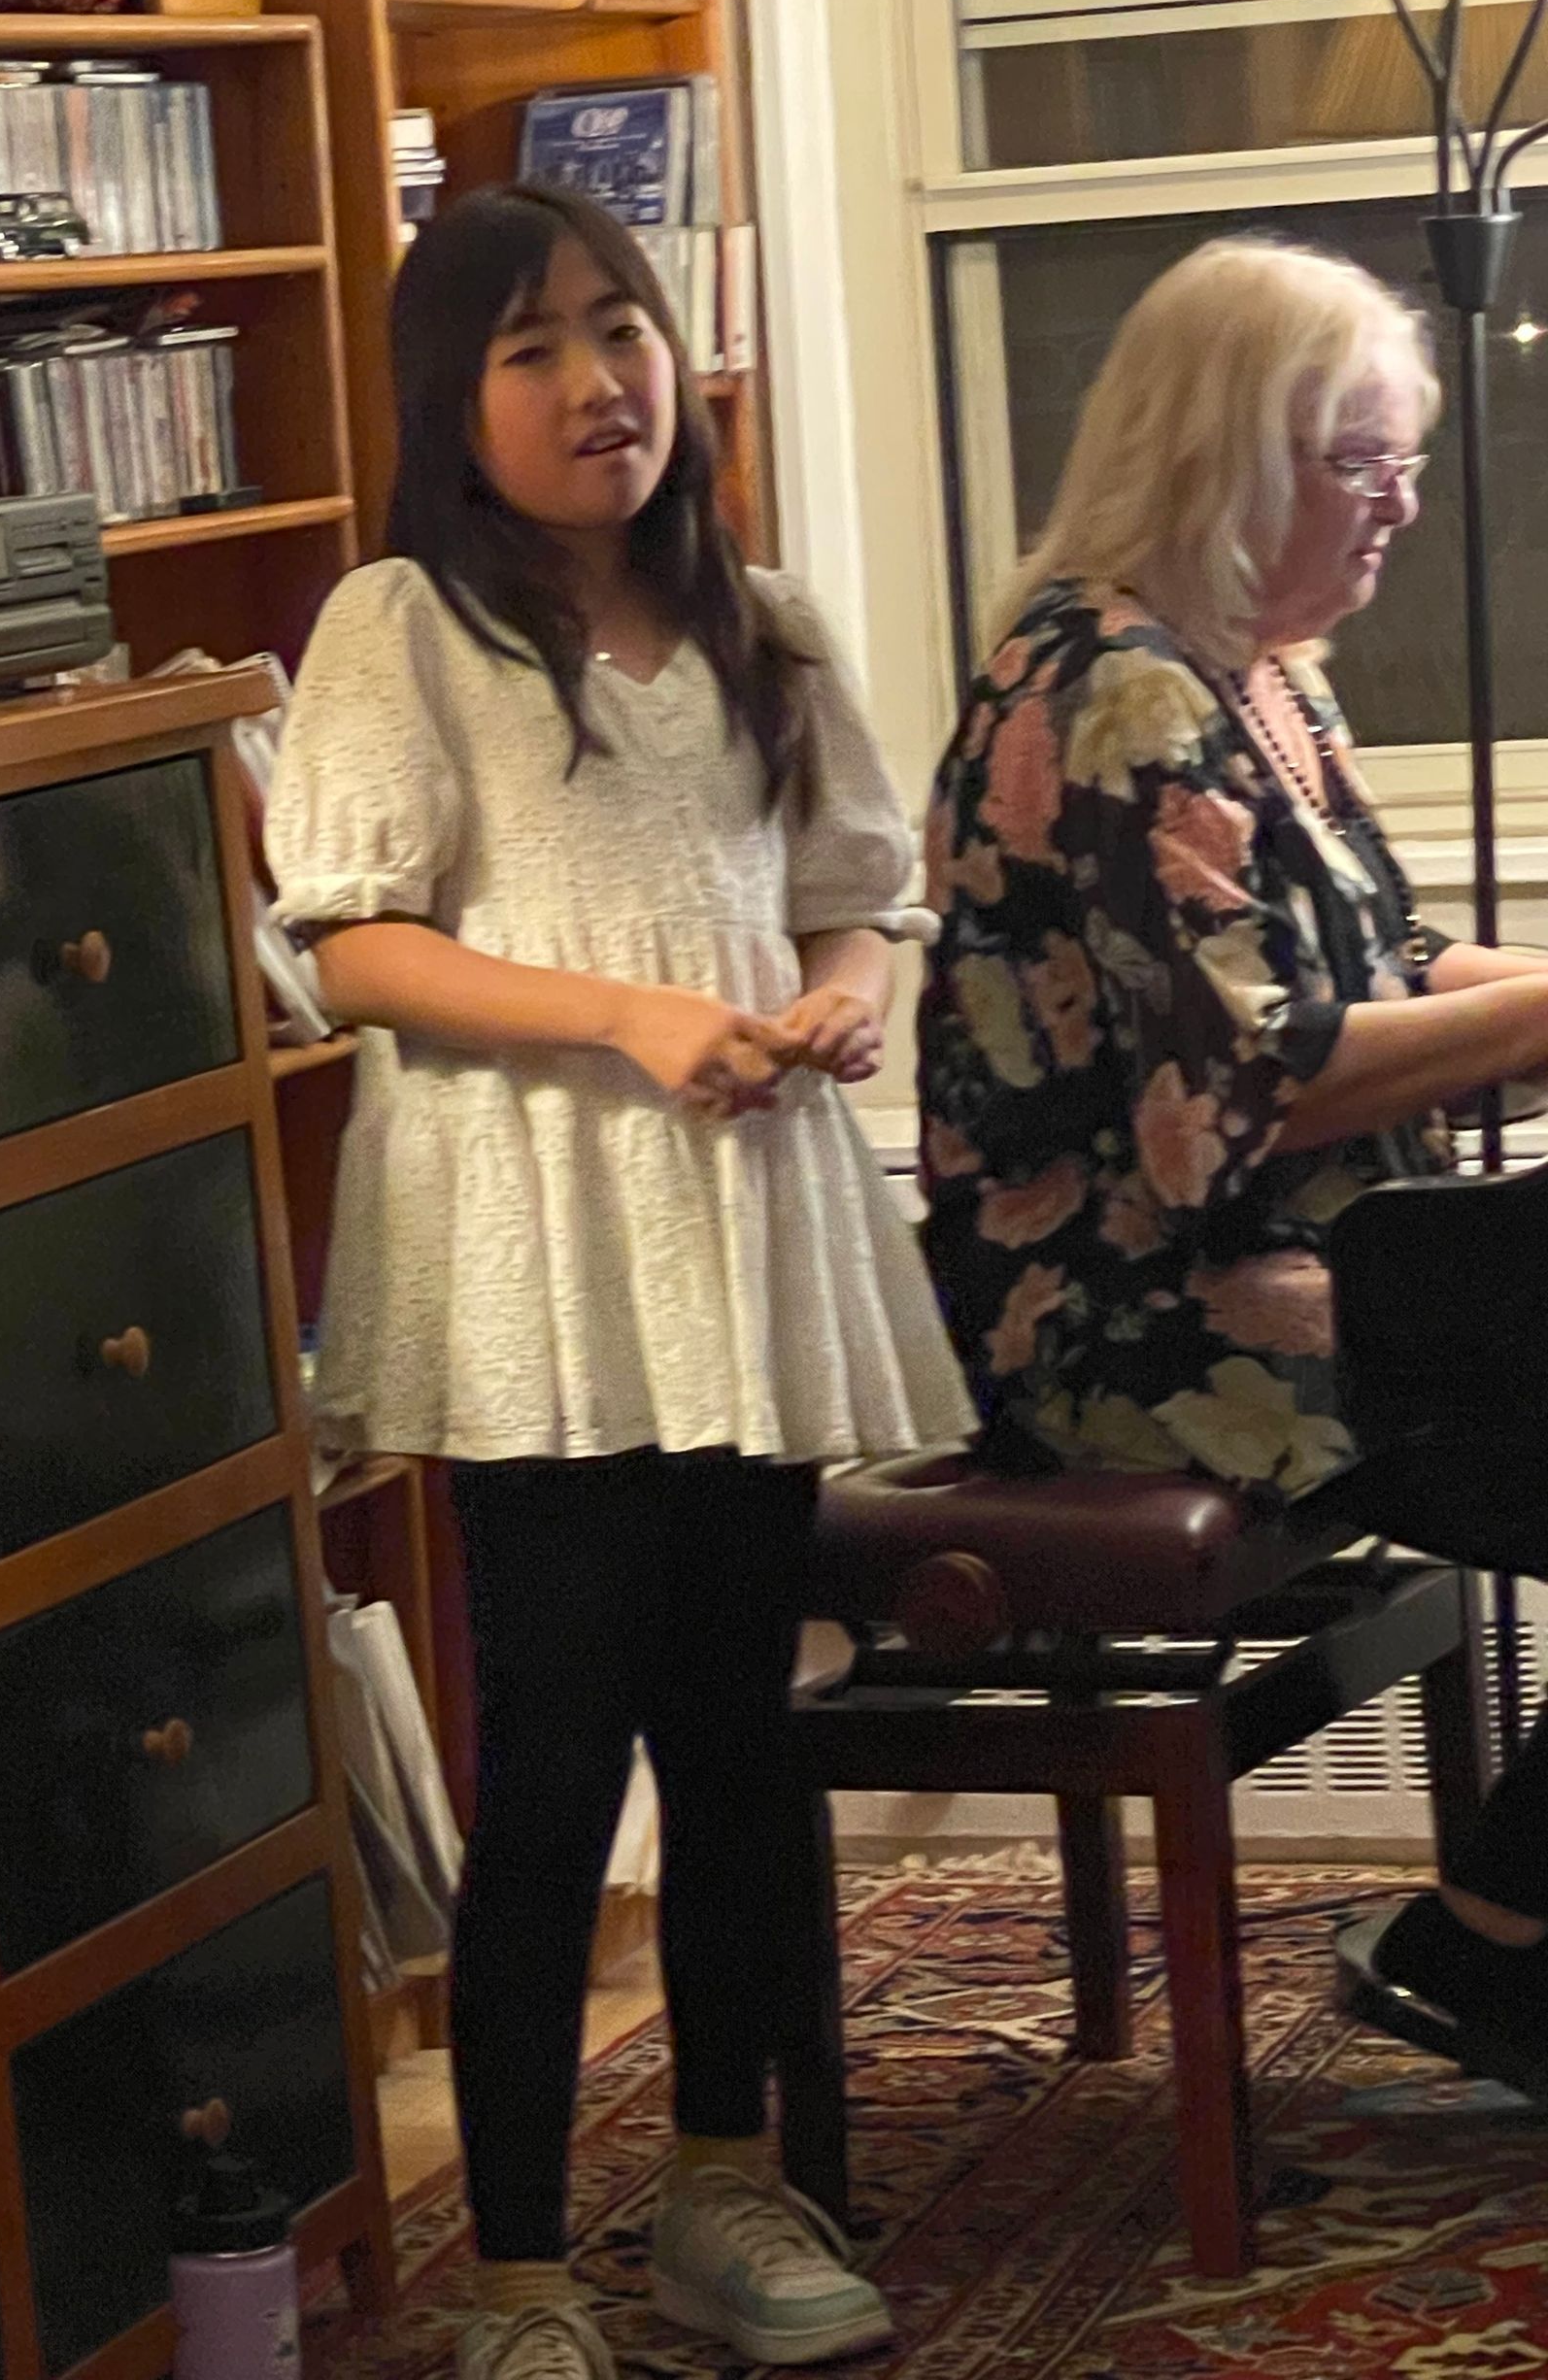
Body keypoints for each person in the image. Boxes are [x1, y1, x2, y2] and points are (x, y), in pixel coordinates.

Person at [266, 183, 974, 2380]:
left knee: (738, 1740)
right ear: (447, 403)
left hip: (740, 1234)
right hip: (536, 1254)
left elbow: (865, 888)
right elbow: (355, 940)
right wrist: (627, 1017)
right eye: (534, 348)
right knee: (558, 1751)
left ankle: (721, 2184)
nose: (600, 382)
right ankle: (512, 2267)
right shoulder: (406, 623)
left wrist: (835, 996)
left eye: (624, 328)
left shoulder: (763, 622)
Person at [920, 236, 1548, 2114]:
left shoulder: (1261, 675)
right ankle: (1495, 1939)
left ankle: (1502, 1923)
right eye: (1359, 461)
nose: (1401, 506)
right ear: (1226, 452)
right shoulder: (1114, 694)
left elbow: (1395, 961)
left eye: (1406, 460)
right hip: (1133, 1320)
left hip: (1321, 1266)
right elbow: (1253, 1100)